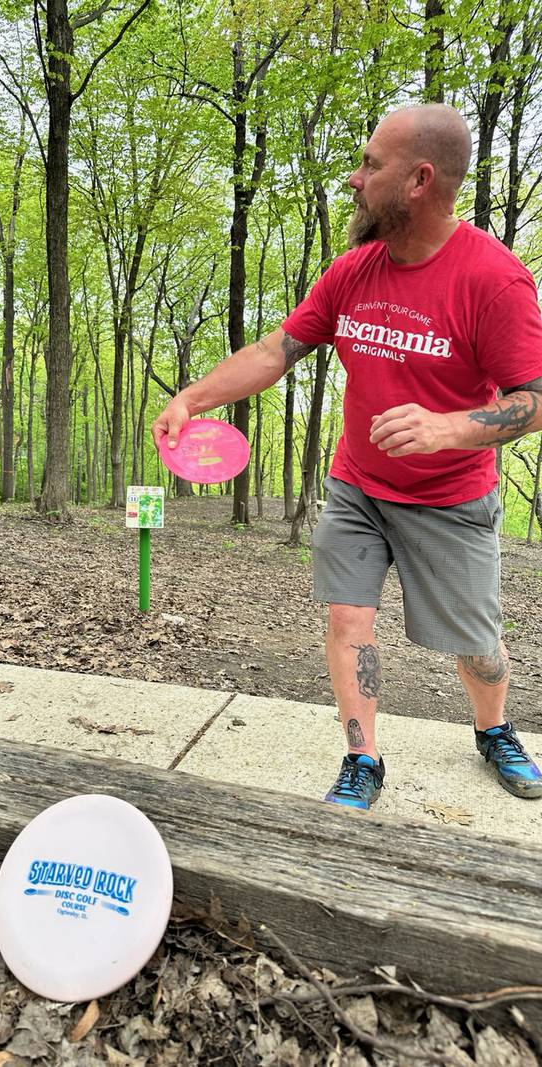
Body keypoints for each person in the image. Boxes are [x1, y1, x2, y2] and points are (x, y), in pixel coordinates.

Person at [152, 103, 542, 810]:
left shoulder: (494, 280)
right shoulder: (352, 272)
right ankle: (363, 756)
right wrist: (194, 398)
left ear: (420, 180)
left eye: (371, 164)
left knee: (478, 641)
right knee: (348, 621)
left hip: (450, 497)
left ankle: (495, 730)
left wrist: (448, 428)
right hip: (358, 486)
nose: (356, 179)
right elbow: (278, 350)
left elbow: (534, 400)